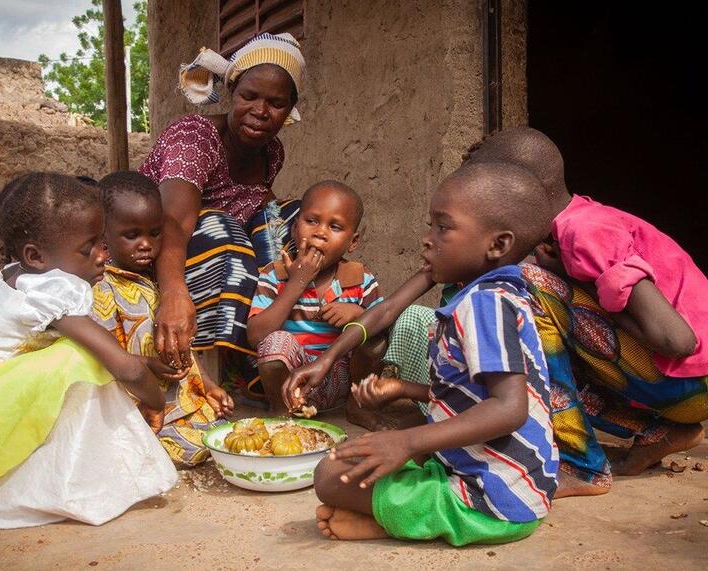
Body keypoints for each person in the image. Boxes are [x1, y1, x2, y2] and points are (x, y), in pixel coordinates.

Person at [284, 162, 558, 544]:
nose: (427, 239)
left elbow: (509, 408)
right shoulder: (481, 288)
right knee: (356, 455)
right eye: (431, 225)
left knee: (330, 476)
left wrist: (408, 442)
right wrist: (330, 360)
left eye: (443, 228)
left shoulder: (486, 305)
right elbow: (385, 312)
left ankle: (394, 520)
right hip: (493, 476)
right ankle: (400, 508)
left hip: (497, 500)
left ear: (497, 245)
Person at [0, 173, 176, 529]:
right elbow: (125, 369)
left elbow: (122, 358)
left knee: (77, 353)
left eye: (102, 242)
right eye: (88, 248)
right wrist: (155, 402)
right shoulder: (51, 288)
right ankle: (54, 485)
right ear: (35, 255)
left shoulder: (20, 276)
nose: (102, 256)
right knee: (79, 358)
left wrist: (139, 361)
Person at [466, 127, 708, 496]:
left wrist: (572, 283)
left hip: (690, 379)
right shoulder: (578, 223)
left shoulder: (585, 231)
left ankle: (582, 465)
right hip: (685, 383)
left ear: (522, 190)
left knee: (525, 284)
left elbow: (677, 340)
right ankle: (658, 433)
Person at [139, 33, 306, 402]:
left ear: (290, 108)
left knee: (296, 218)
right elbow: (172, 223)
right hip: (156, 258)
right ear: (232, 92)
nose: (260, 111)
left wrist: (289, 239)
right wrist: (173, 294)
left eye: (276, 103)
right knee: (222, 230)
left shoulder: (272, 152)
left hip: (216, 262)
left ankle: (278, 351)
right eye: (249, 96)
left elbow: (259, 206)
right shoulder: (196, 137)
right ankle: (211, 367)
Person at [91, 171, 233, 466]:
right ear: (103, 235)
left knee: (226, 436)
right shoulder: (102, 288)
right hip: (139, 405)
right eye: (132, 235)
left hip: (180, 399)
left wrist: (207, 384)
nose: (146, 244)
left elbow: (185, 346)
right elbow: (104, 358)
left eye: (154, 233)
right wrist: (146, 364)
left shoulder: (157, 278)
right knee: (187, 450)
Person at [246, 181, 386, 417]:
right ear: (294, 228)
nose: (320, 232)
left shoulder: (360, 278)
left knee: (373, 339)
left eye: (335, 227)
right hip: (290, 384)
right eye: (311, 221)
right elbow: (255, 335)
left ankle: (359, 406)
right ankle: (282, 413)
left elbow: (384, 328)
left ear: (352, 242)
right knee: (275, 342)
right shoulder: (274, 274)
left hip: (341, 381)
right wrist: (296, 284)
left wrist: (358, 315)